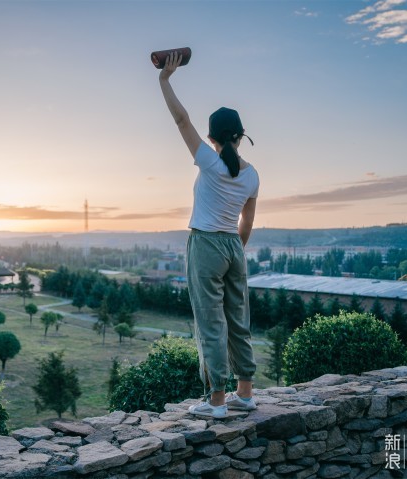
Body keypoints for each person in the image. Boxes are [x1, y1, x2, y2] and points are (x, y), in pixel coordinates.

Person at [158, 51, 259, 419]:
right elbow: (246, 223)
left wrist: (165, 81)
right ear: (241, 135)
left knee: (210, 324)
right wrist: (234, 250)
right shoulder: (252, 175)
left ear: (213, 137)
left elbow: (181, 119)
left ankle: (216, 400)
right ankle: (244, 393)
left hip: (206, 244)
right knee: (238, 320)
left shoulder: (209, 161)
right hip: (234, 246)